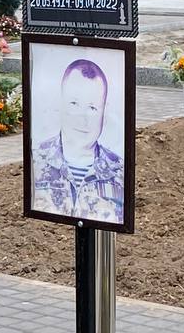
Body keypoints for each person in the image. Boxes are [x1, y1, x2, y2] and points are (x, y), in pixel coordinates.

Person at [31, 59, 124, 225]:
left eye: (92, 107)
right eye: (74, 103)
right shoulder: (35, 161)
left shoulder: (120, 171)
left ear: (104, 112)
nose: (83, 118)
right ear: (60, 104)